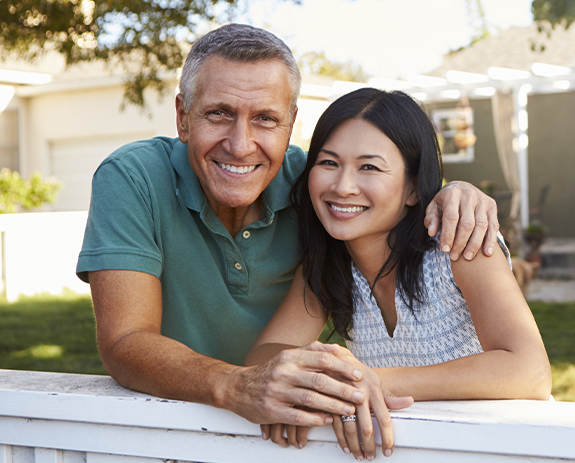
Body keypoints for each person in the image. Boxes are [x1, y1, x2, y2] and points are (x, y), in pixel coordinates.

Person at [76, 23, 501, 440]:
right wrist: (242, 385)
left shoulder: (315, 186)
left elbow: (387, 190)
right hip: (175, 426)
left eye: (265, 118)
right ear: (183, 117)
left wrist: (453, 193)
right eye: (219, 113)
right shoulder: (133, 178)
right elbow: (126, 340)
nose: (240, 145)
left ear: (290, 124)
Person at [245, 88, 551, 460]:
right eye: (328, 163)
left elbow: (530, 371)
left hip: (504, 449)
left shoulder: (457, 245)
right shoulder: (326, 268)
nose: (342, 186)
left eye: (369, 167)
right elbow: (261, 358)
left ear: (412, 187)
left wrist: (360, 382)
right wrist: (329, 372)